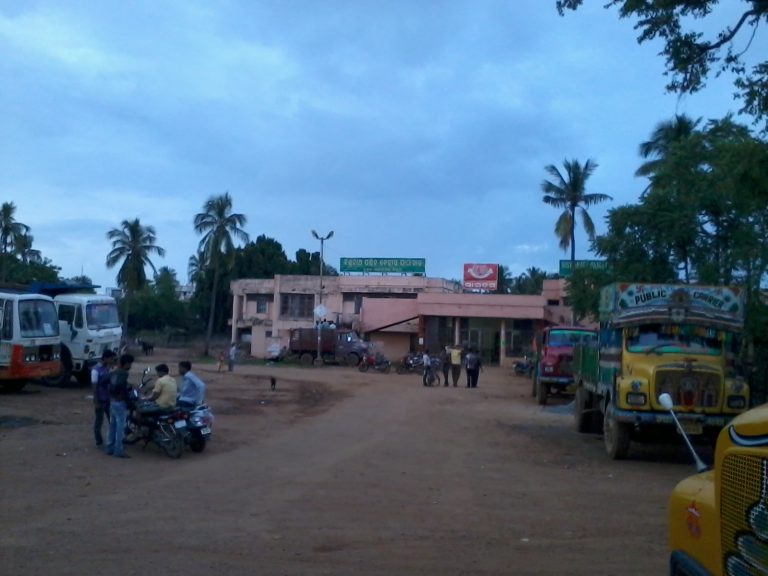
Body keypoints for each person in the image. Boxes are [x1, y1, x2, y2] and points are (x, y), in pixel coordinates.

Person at [106, 353, 134, 459]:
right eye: (130, 363)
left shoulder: (114, 372)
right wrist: (128, 401)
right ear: (126, 363)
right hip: (120, 402)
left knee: (112, 426)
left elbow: (105, 381)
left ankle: (110, 448)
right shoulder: (124, 373)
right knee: (120, 427)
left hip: (112, 401)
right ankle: (118, 450)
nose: (130, 366)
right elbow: (121, 388)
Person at [91, 349, 115, 447]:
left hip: (107, 398)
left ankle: (109, 439)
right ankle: (99, 440)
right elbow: (94, 387)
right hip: (100, 399)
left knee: (110, 419)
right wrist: (96, 401)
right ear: (105, 358)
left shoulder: (106, 368)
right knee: (99, 421)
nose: (112, 360)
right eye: (111, 358)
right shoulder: (95, 370)